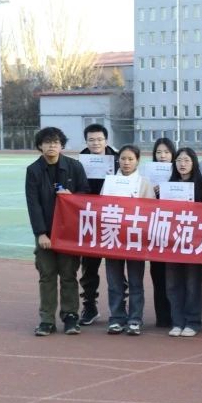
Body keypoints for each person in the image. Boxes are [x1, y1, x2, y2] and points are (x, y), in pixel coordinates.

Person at [25, 127, 90, 336]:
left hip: (69, 232)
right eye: (47, 142)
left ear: (62, 145)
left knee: (69, 275)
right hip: (46, 232)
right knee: (47, 276)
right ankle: (47, 319)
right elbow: (33, 204)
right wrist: (41, 233)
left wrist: (73, 196)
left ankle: (70, 316)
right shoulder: (33, 170)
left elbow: (86, 195)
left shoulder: (74, 166)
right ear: (40, 146)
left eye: (55, 142)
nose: (51, 146)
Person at [102, 145, 156, 336]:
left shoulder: (144, 183)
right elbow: (100, 207)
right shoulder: (109, 181)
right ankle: (117, 318)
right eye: (123, 158)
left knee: (135, 281)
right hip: (113, 236)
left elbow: (151, 210)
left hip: (135, 239)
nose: (126, 162)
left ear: (138, 161)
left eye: (130, 159)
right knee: (114, 281)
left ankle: (134, 319)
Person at [164, 147, 202, 337]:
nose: (182, 164)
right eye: (179, 160)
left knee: (192, 284)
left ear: (193, 163)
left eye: (186, 160)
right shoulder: (168, 186)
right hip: (171, 241)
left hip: (194, 242)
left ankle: (192, 322)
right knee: (172, 284)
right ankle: (177, 321)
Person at [78, 123, 118, 327]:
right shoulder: (78, 162)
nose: (96, 143)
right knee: (89, 267)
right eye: (91, 140)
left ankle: (118, 310)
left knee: (117, 266)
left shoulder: (118, 159)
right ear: (86, 142)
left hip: (114, 219)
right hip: (89, 220)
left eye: (99, 139)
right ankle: (89, 306)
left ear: (106, 140)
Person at [149, 137, 176, 329]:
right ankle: (162, 317)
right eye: (159, 152)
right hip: (155, 233)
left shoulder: (180, 174)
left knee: (175, 277)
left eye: (166, 152)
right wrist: (152, 192)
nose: (163, 156)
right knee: (158, 275)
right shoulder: (146, 176)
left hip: (175, 233)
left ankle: (177, 314)